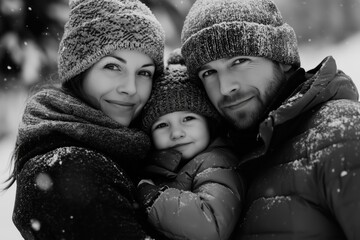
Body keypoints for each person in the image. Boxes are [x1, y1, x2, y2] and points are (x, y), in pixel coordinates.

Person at [180, 0, 360, 239]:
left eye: (239, 61)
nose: (225, 87)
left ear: (283, 59)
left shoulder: (341, 133)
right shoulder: (227, 159)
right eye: (209, 72)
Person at [4, 0, 165, 239]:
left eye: (144, 73)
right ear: (80, 71)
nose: (131, 88)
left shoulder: (123, 147)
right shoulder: (67, 168)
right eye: (112, 66)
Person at [137, 50, 245, 240]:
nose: (176, 132)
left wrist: (153, 197)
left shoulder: (217, 162)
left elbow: (210, 225)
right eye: (162, 125)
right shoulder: (159, 166)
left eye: (188, 118)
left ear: (208, 123)